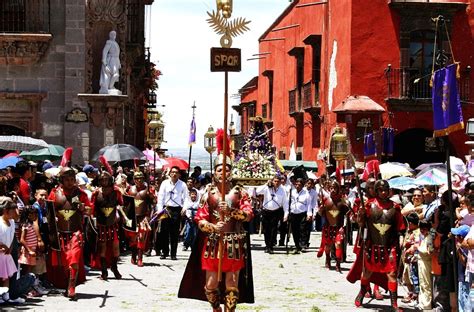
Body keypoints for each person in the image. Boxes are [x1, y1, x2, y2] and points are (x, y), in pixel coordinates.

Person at [178, 154, 254, 312]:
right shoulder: (208, 193)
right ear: (214, 173)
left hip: (233, 243)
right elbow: (200, 218)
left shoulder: (240, 192)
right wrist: (212, 226)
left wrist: (232, 211)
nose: (223, 173)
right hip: (213, 243)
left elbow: (248, 215)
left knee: (231, 285)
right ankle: (216, 308)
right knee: (211, 285)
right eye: (220, 170)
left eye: (227, 170)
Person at [347, 179, 405, 310]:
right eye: (381, 190)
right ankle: (362, 293)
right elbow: (361, 224)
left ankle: (394, 304)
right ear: (377, 191)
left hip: (389, 246)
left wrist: (401, 239)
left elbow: (400, 226)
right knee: (367, 272)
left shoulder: (395, 207)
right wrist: (360, 216)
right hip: (372, 245)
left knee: (392, 274)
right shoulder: (368, 205)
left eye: (385, 190)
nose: (384, 192)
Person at [47, 167, 92, 300]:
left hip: (75, 232)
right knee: (64, 262)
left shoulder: (80, 194)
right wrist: (53, 218)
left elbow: (90, 211)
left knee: (73, 258)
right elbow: (49, 211)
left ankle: (72, 286)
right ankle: (67, 284)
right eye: (67, 179)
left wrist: (84, 208)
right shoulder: (54, 193)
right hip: (60, 233)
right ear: (62, 180)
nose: (70, 182)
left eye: (72, 179)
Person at [91, 171, 123, 280]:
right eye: (102, 179)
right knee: (103, 248)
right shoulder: (96, 193)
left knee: (116, 247)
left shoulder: (116, 191)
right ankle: (104, 271)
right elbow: (92, 209)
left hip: (113, 223)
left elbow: (122, 204)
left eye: (106, 179)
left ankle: (114, 267)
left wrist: (119, 212)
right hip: (101, 224)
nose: (104, 181)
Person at [156, 166, 188, 260]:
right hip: (166, 209)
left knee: (174, 233)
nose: (174, 174)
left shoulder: (183, 185)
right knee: (163, 231)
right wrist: (159, 209)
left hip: (176, 210)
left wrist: (184, 208)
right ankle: (165, 252)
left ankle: (173, 253)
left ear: (179, 174)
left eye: (176, 172)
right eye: (172, 172)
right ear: (170, 173)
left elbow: (186, 197)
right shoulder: (164, 183)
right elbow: (160, 197)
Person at [317, 180, 349, 272]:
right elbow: (320, 213)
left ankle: (338, 263)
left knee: (338, 244)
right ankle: (328, 260)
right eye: (331, 188)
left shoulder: (342, 202)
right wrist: (321, 209)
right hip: (328, 227)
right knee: (328, 246)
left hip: (338, 227)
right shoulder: (325, 201)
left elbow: (348, 213)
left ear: (338, 189)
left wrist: (348, 205)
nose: (333, 190)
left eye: (335, 188)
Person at [127, 171, 155, 266]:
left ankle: (140, 258)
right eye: (137, 178)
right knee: (133, 239)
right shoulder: (130, 189)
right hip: (132, 216)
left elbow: (153, 202)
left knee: (141, 237)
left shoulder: (148, 189)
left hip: (143, 216)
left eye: (141, 178)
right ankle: (133, 255)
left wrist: (152, 195)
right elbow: (126, 203)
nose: (139, 180)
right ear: (134, 179)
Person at [255, 175, 288, 254]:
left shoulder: (283, 190)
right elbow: (257, 191)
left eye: (278, 181)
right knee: (266, 230)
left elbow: (285, 202)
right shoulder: (267, 188)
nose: (276, 183)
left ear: (280, 182)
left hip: (276, 211)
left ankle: (271, 246)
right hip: (266, 211)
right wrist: (266, 184)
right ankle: (267, 245)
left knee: (273, 229)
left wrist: (286, 214)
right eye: (275, 181)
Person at [284, 178, 312, 254]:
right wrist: (286, 213)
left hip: (302, 213)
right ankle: (297, 245)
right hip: (293, 214)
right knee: (295, 230)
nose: (297, 186)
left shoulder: (306, 194)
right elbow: (287, 203)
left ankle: (302, 245)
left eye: (299, 185)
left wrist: (309, 214)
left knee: (302, 229)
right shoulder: (292, 192)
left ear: (302, 186)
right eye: (296, 184)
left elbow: (309, 205)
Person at [0, 197, 20, 303]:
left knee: (6, 276)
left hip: (7, 254)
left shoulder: (11, 222)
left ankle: (6, 296)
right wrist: (2, 246)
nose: (14, 214)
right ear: (5, 211)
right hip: (0, 253)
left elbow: (12, 236)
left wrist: (10, 247)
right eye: (12, 212)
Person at [99, 30, 121, 94]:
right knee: (115, 74)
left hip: (116, 60)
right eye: (112, 35)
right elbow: (105, 52)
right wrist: (104, 62)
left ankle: (111, 86)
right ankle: (110, 86)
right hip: (111, 59)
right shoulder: (109, 42)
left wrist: (119, 62)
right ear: (110, 35)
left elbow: (117, 53)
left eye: (115, 35)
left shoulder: (115, 43)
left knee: (116, 74)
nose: (114, 36)